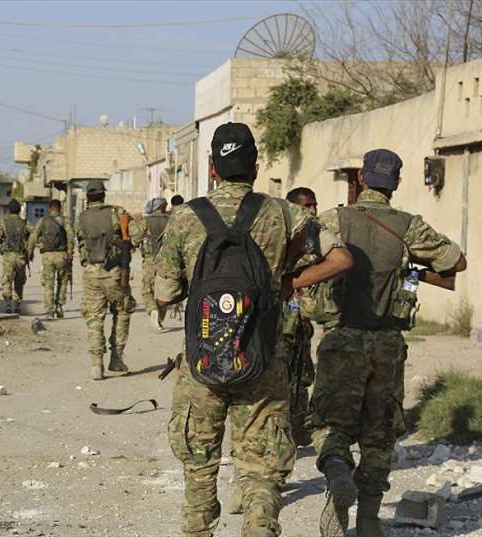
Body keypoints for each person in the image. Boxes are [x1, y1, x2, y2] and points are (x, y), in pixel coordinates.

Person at [155, 123, 353, 537]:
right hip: (262, 359)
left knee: (199, 466)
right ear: (256, 168)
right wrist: (288, 283)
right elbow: (341, 258)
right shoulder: (286, 213)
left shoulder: (185, 217)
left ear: (212, 168)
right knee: (261, 471)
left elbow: (165, 292)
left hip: (202, 362)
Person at [309, 149, 467, 537]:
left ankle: (337, 472)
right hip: (387, 344)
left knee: (330, 424)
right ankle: (368, 519)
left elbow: (300, 258)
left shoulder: (332, 220)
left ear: (361, 178)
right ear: (396, 183)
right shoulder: (409, 227)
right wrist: (409, 268)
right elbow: (457, 262)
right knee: (379, 435)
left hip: (341, 338)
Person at [75, 180, 139, 381]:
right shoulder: (117, 212)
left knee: (94, 317)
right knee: (122, 311)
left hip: (91, 272)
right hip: (114, 272)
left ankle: (96, 365)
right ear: (104, 195)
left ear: (88, 197)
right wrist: (123, 244)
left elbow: (80, 243)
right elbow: (136, 237)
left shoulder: (81, 217)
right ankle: (116, 359)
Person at [281, 186, 320, 448]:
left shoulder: (315, 235)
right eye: (307, 206)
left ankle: (297, 429)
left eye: (314, 205)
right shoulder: (283, 234)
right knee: (281, 377)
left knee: (302, 374)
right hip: (280, 319)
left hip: (301, 320)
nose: (313, 210)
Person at [28, 199, 74, 319]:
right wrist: (70, 252)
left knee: (48, 283)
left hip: (47, 256)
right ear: (60, 208)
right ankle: (59, 306)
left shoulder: (43, 221)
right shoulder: (65, 220)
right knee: (62, 282)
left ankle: (49, 309)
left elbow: (33, 237)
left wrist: (30, 252)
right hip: (62, 255)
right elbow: (70, 236)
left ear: (50, 209)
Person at [0, 199, 31, 314]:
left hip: (8, 256)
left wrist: (4, 241)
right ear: (19, 210)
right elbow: (33, 233)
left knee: (7, 279)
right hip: (21, 256)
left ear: (9, 210)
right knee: (19, 281)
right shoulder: (24, 223)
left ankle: (8, 304)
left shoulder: (4, 222)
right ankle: (17, 305)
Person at [141, 197, 171, 330]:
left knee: (147, 289)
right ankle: (160, 318)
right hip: (167, 261)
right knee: (163, 291)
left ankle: (152, 310)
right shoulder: (171, 220)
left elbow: (136, 238)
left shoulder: (146, 221)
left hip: (150, 260)